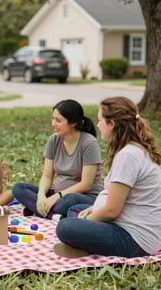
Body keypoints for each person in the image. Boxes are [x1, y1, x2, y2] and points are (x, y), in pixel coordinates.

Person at [54, 96, 161, 258]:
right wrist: (93, 209)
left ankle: (85, 247)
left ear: (112, 124)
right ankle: (84, 246)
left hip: (134, 239)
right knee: (76, 209)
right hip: (131, 225)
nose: (97, 125)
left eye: (100, 120)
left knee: (65, 226)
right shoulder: (134, 150)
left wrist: (88, 219)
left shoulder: (128, 156)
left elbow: (112, 211)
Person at [12, 99, 103, 219]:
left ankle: (40, 210)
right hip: (57, 196)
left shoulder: (89, 143)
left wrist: (55, 197)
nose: (53, 124)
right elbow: (47, 176)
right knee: (19, 188)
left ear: (73, 123)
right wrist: (41, 197)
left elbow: (85, 184)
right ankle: (54, 214)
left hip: (84, 197)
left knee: (69, 200)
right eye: (53, 118)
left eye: (58, 120)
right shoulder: (54, 140)